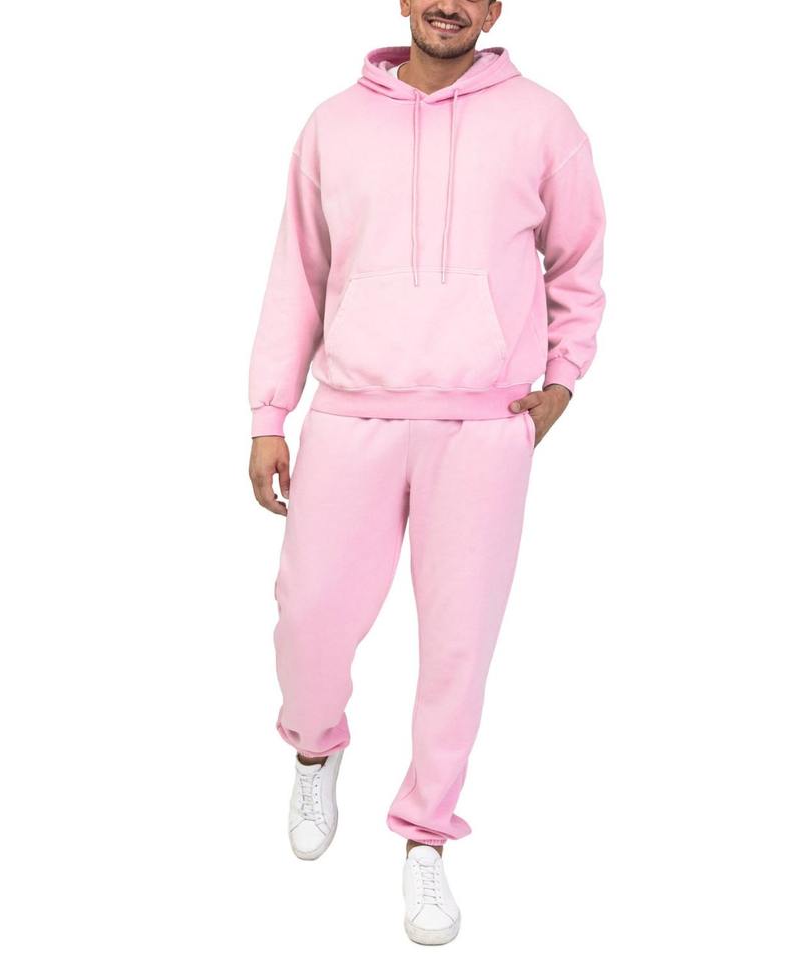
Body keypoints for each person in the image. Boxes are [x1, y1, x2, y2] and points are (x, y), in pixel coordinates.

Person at [247, 0, 606, 945]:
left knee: (458, 647)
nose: (449, 3)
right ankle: (315, 747)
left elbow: (579, 263)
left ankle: (426, 837)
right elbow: (298, 274)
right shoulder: (332, 123)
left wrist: (562, 382)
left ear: (493, 8)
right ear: (404, 0)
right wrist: (269, 413)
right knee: (309, 616)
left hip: (482, 425)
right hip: (350, 412)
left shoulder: (544, 120)